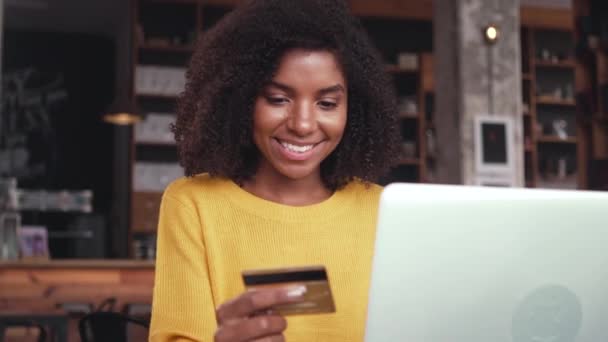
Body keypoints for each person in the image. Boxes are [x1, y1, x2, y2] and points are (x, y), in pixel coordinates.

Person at [149, 0, 400, 341]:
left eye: (327, 103)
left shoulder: (384, 211)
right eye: (278, 99)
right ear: (240, 100)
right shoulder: (193, 204)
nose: (302, 124)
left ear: (353, 110)